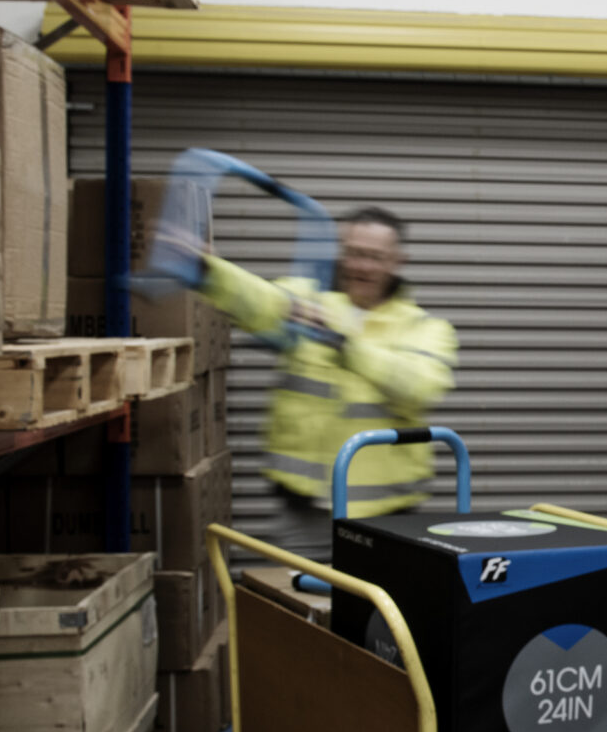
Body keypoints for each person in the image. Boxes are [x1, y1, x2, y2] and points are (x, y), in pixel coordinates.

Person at [179, 206, 457, 560]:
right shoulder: (309, 301)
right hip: (304, 511)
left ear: (398, 261)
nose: (362, 266)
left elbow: (419, 386)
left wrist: (345, 344)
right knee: (298, 610)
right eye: (355, 253)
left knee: (377, 614)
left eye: (375, 257)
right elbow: (261, 302)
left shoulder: (425, 328)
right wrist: (210, 270)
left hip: (386, 520)